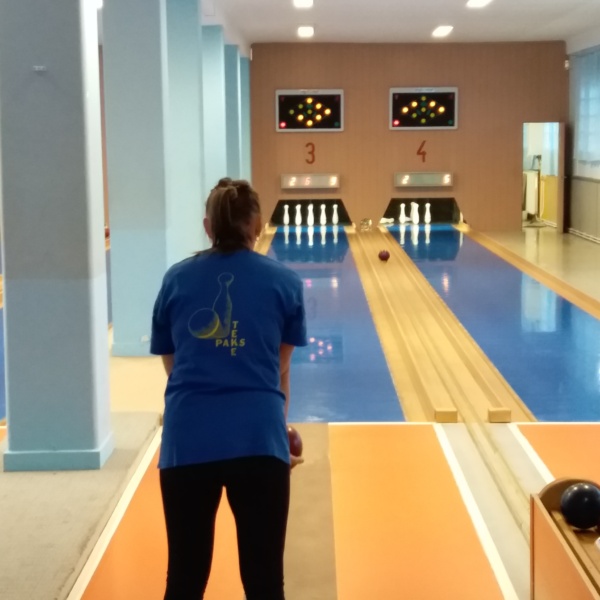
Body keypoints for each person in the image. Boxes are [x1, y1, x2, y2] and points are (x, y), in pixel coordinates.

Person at [150, 178, 307, 600]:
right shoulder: (286, 282)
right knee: (264, 582)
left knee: (184, 579)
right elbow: (279, 367)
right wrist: (278, 435)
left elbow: (173, 365)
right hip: (258, 439)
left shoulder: (175, 279)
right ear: (258, 224)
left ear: (208, 226)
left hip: (187, 440)